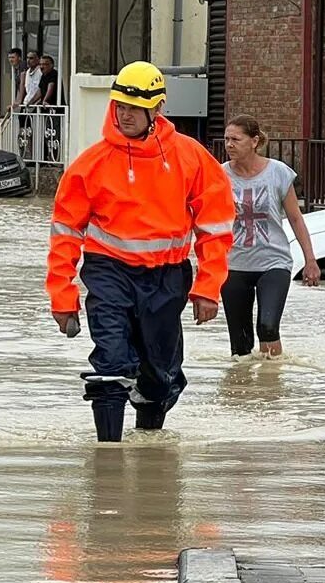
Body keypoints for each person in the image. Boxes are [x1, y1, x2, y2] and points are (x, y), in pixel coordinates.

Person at [47, 62, 236, 442]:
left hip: (167, 278)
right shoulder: (91, 164)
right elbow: (65, 233)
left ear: (158, 108)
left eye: (134, 106)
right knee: (111, 363)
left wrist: (207, 288)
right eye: (119, 105)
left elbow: (215, 229)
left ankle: (150, 444)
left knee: (160, 375)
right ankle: (108, 463)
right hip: (108, 273)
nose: (125, 113)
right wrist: (62, 297)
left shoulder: (191, 158)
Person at [221, 115, 320, 358]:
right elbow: (208, 220)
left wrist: (310, 260)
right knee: (240, 344)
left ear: (254, 141)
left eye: (236, 139)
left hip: (273, 262)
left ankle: (272, 385)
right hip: (234, 263)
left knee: (267, 327)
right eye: (226, 139)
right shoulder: (219, 175)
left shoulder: (278, 172)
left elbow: (295, 218)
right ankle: (246, 392)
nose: (229, 145)